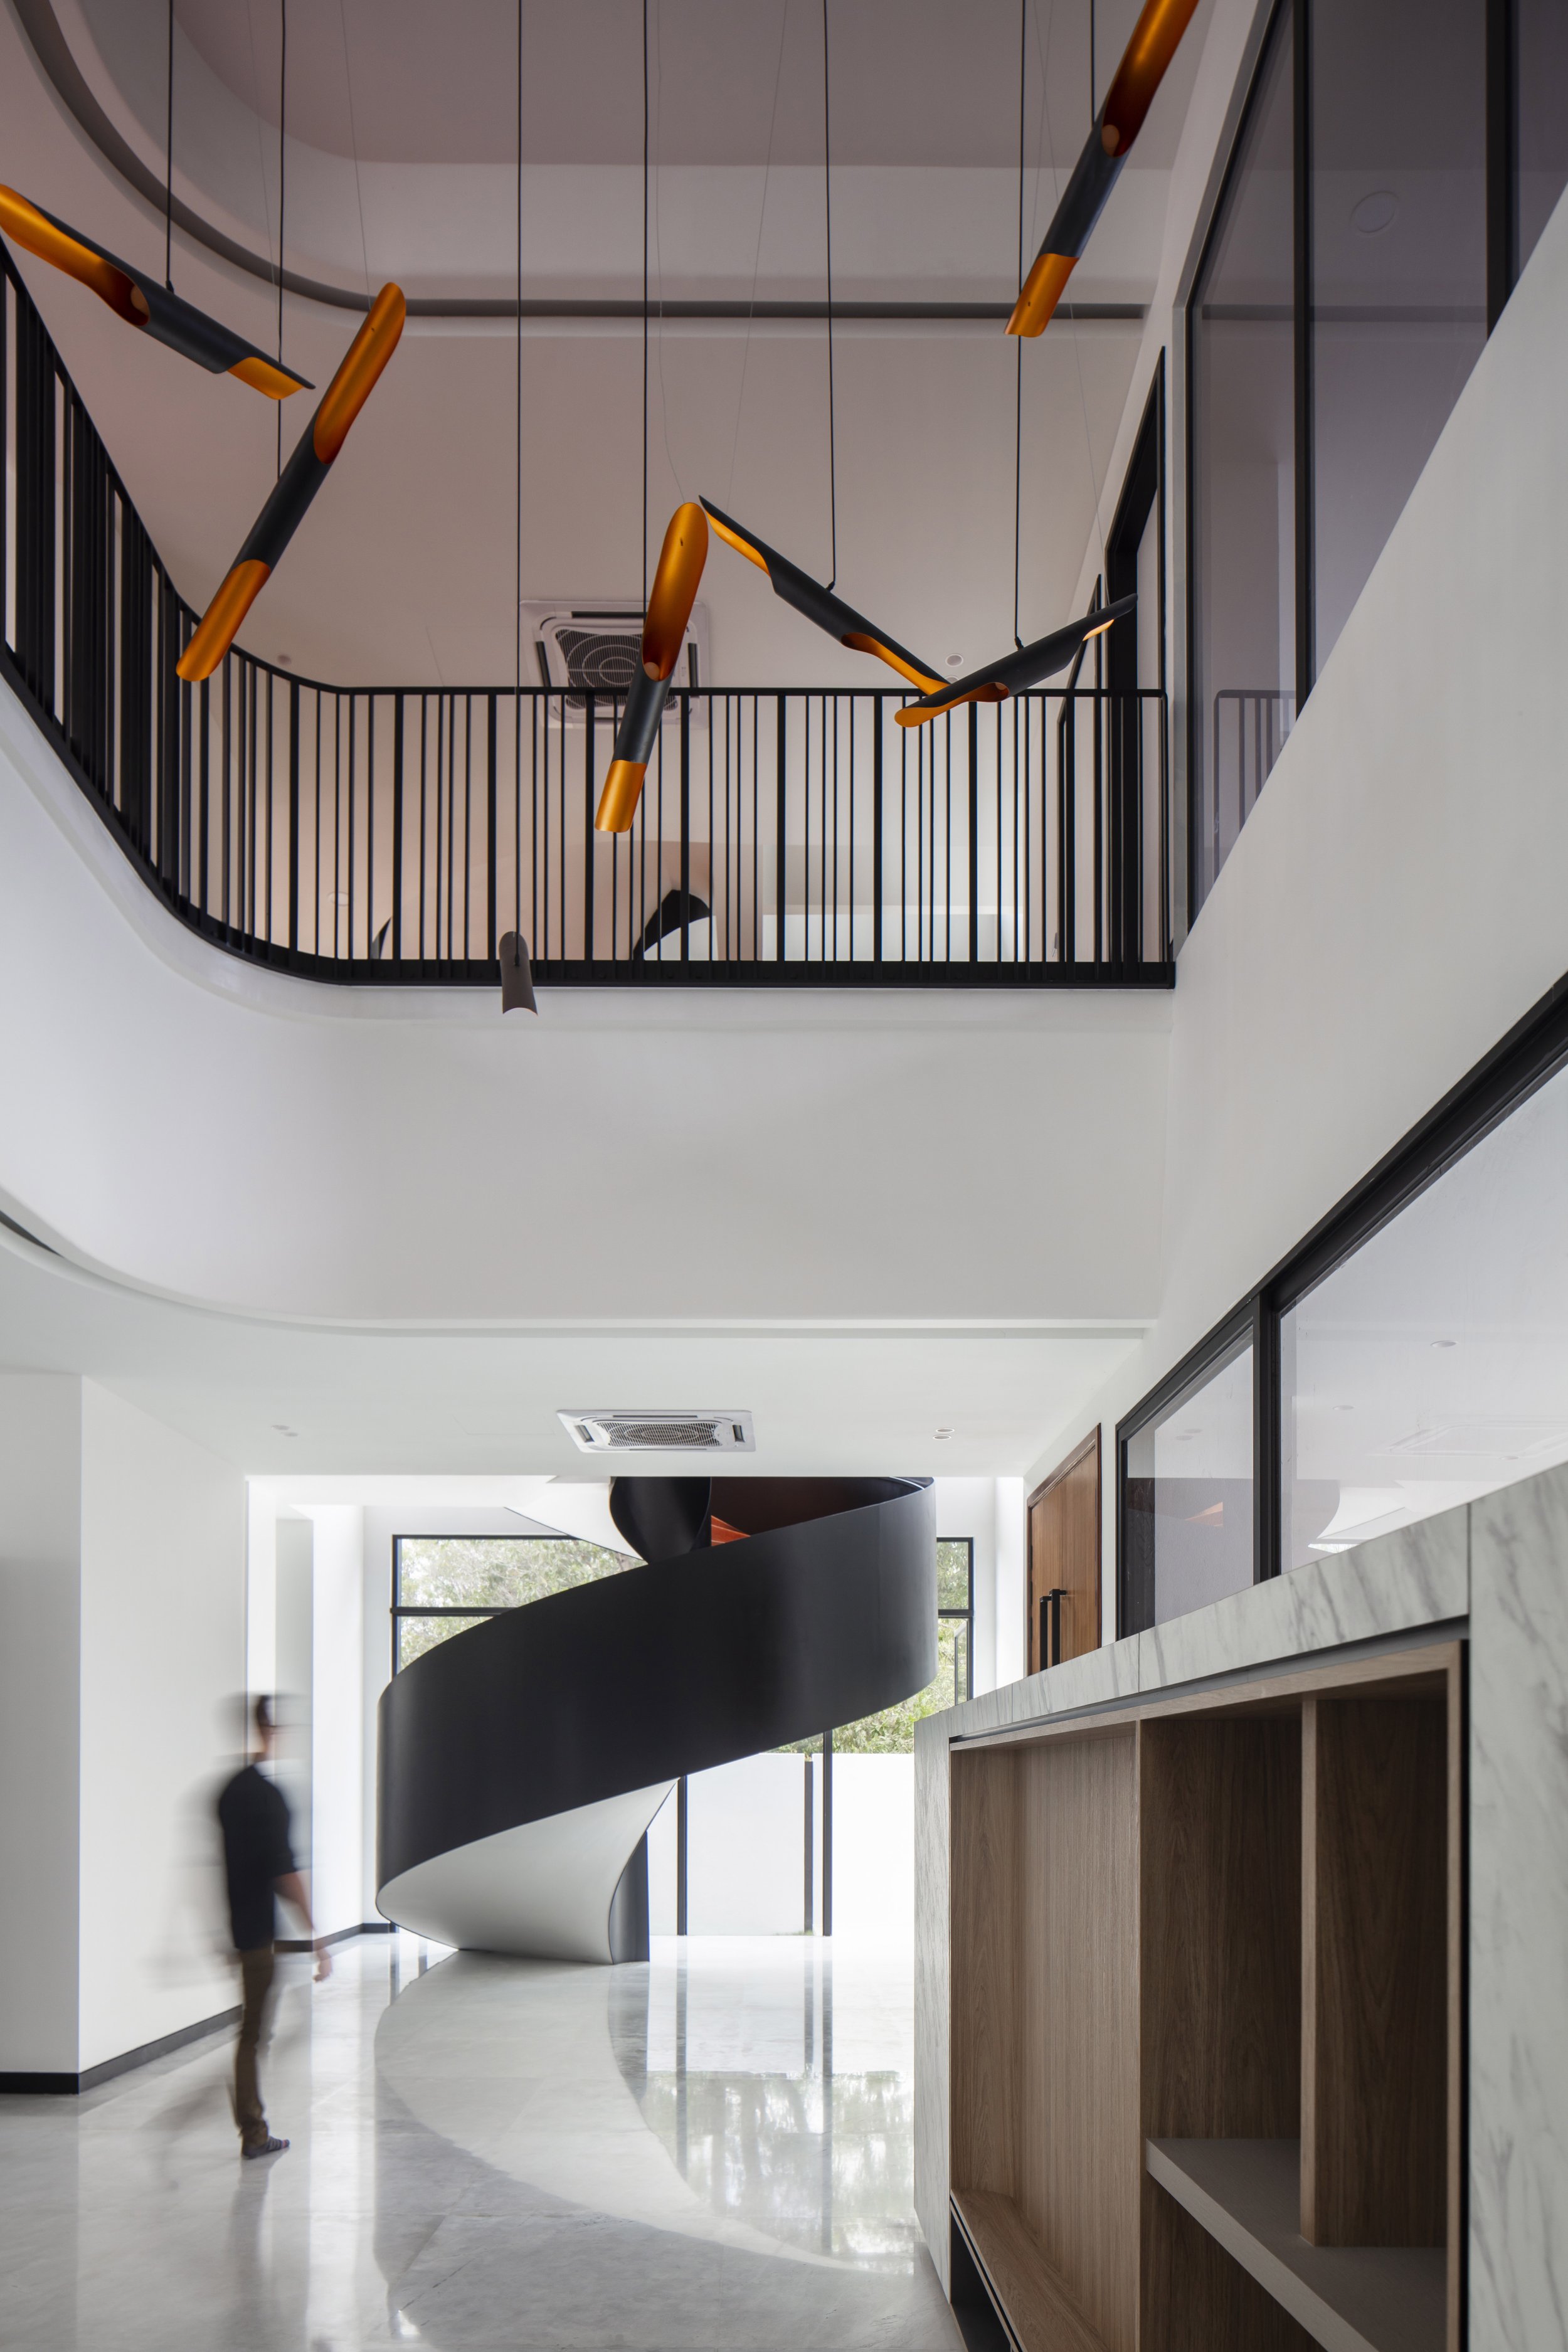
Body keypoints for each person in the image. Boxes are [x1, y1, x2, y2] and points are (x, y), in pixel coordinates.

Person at [216, 1695, 331, 2159]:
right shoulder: (267, 1798)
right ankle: (254, 2132)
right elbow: (284, 1874)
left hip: (239, 1928)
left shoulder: (228, 1791)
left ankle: (252, 2123)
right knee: (254, 2034)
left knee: (252, 2031)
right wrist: (318, 1938)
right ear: (270, 1729)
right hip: (260, 1934)